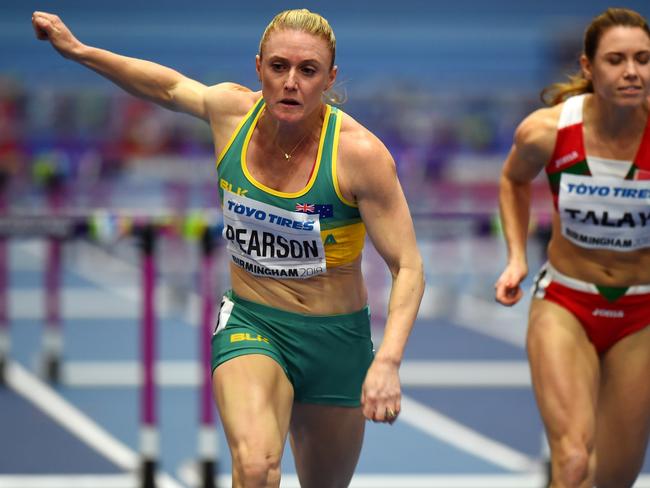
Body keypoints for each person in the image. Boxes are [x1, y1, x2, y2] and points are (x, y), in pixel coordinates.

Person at [32, 9, 424, 487]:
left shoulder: (359, 155)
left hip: (337, 342)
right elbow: (168, 87)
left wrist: (386, 361)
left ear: (330, 78)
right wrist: (78, 51)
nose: (291, 82)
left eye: (308, 70)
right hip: (253, 323)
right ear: (258, 67)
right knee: (256, 469)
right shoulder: (230, 113)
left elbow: (407, 265)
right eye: (279, 67)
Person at [495, 7, 650, 488]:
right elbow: (513, 179)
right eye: (616, 59)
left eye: (643, 59)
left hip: (640, 314)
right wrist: (517, 257)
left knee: (614, 478)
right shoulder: (545, 131)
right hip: (566, 302)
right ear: (588, 67)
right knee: (574, 461)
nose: (631, 71)